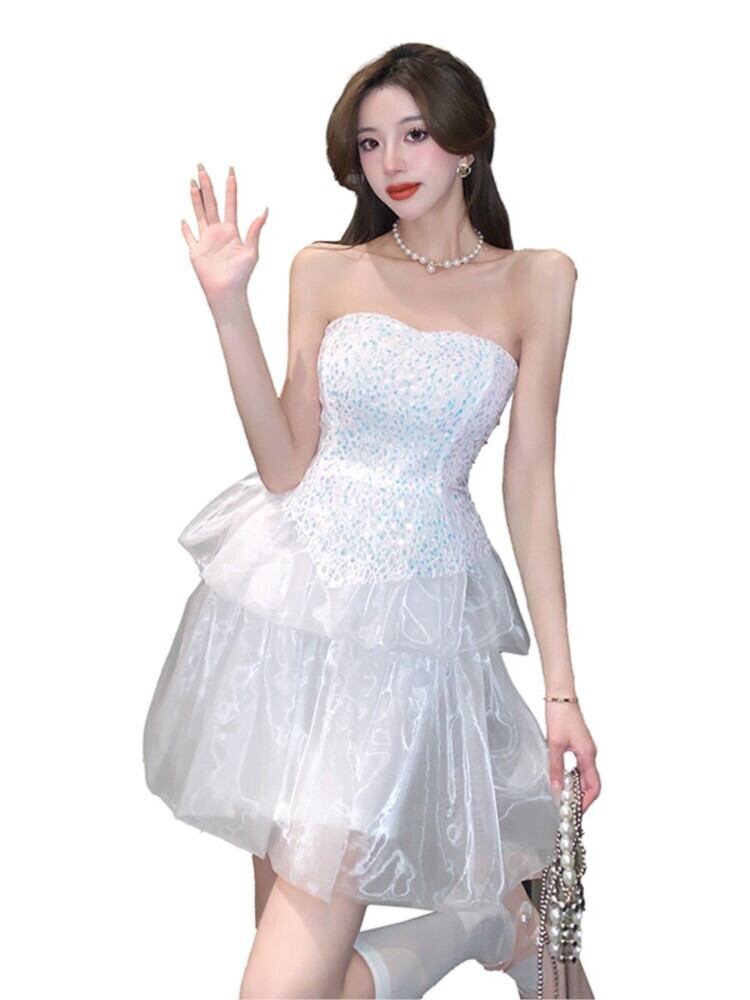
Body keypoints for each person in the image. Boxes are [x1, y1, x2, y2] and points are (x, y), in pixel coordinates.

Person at [143, 41, 601, 1000]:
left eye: (415, 134)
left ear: (468, 144)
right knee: (308, 983)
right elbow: (285, 465)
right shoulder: (327, 270)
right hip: (288, 616)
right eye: (370, 142)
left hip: (406, 637)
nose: (391, 161)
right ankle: (487, 922)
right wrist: (228, 309)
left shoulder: (536, 280)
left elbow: (530, 480)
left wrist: (561, 691)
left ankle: (484, 921)